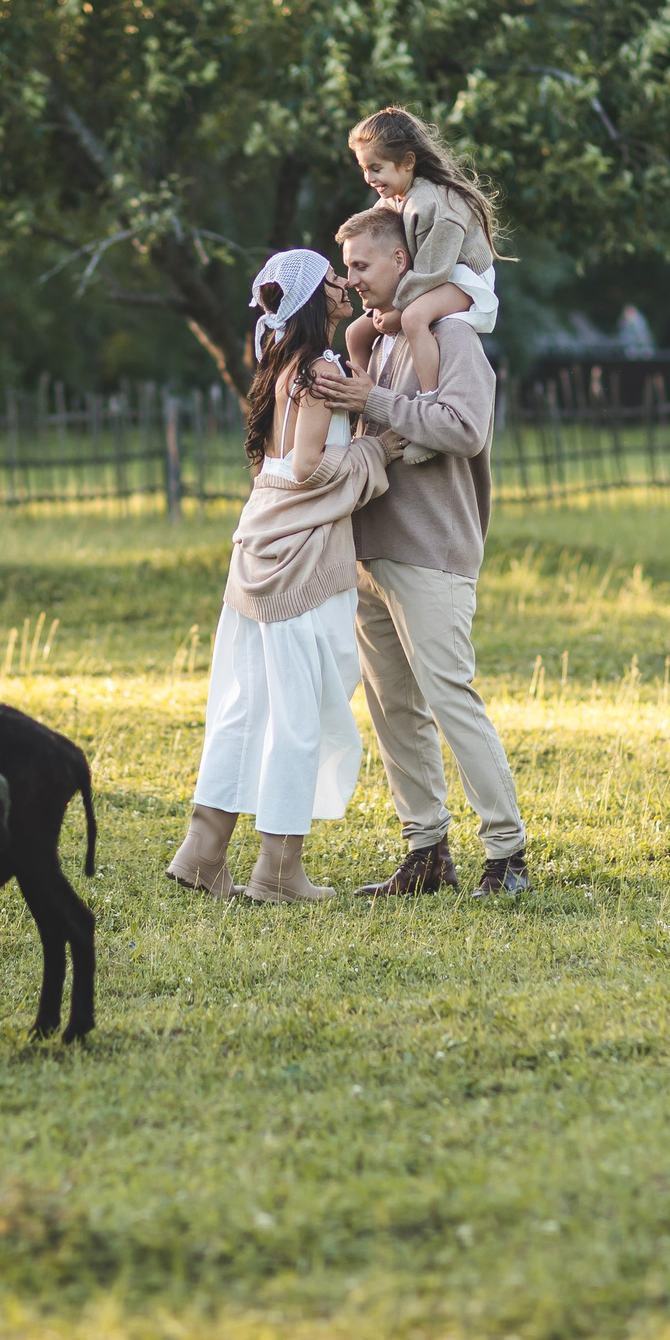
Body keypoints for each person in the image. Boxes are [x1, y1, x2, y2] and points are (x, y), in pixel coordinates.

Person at [166, 248, 398, 904]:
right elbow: (307, 470)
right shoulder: (320, 367)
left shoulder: (280, 364)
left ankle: (204, 851)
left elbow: (277, 469)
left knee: (244, 703)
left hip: (256, 541)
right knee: (302, 710)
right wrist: (375, 452)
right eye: (333, 280)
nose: (345, 286)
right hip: (299, 557)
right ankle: (276, 872)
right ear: (308, 299)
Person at [313, 206, 530, 897]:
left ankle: (508, 855)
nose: (352, 282)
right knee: (392, 708)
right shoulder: (375, 343)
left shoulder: (452, 334)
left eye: (360, 267)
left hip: (432, 551)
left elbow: (463, 428)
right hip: (369, 551)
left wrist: (372, 399)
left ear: (401, 262)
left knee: (449, 698)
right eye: (345, 270)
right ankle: (426, 852)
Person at [345, 107, 500, 462]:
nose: (369, 177)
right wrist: (375, 307)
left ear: (408, 161)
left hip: (461, 276)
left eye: (376, 168)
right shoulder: (391, 198)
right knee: (356, 332)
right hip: (427, 278)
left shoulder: (434, 204)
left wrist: (397, 312)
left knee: (415, 319)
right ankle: (361, 413)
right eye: (364, 169)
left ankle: (428, 403)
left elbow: (432, 271)